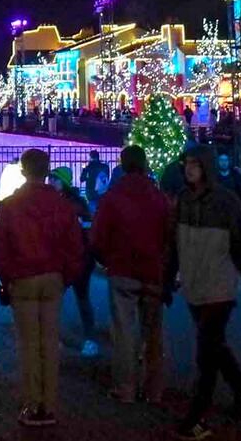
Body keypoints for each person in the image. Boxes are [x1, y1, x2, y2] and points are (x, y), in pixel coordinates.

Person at [167, 145, 241, 438]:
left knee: (206, 354)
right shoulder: (184, 200)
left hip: (219, 288)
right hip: (195, 286)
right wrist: (167, 279)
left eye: (195, 165)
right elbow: (175, 246)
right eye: (186, 163)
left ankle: (197, 415)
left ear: (206, 168)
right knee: (215, 347)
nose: (189, 169)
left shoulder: (226, 203)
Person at [0, 148, 85, 428]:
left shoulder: (10, 205)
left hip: (23, 278)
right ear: (47, 171)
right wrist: (65, 276)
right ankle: (49, 404)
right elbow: (74, 246)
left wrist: (6, 279)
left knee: (29, 345)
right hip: (53, 277)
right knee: (49, 343)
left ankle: (33, 405)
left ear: (23, 171)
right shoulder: (61, 205)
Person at [91, 145, 169, 404]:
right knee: (153, 332)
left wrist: (106, 259)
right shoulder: (158, 196)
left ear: (123, 166)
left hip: (123, 269)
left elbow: (99, 236)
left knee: (123, 331)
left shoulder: (113, 196)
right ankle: (153, 389)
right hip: (152, 269)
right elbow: (169, 233)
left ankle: (125, 387)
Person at [51, 166, 99, 358]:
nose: (50, 182)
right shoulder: (60, 201)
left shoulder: (74, 204)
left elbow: (85, 230)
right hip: (66, 258)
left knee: (81, 297)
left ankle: (89, 337)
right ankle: (56, 335)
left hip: (78, 258)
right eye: (50, 178)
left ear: (64, 182)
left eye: (55, 179)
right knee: (57, 297)